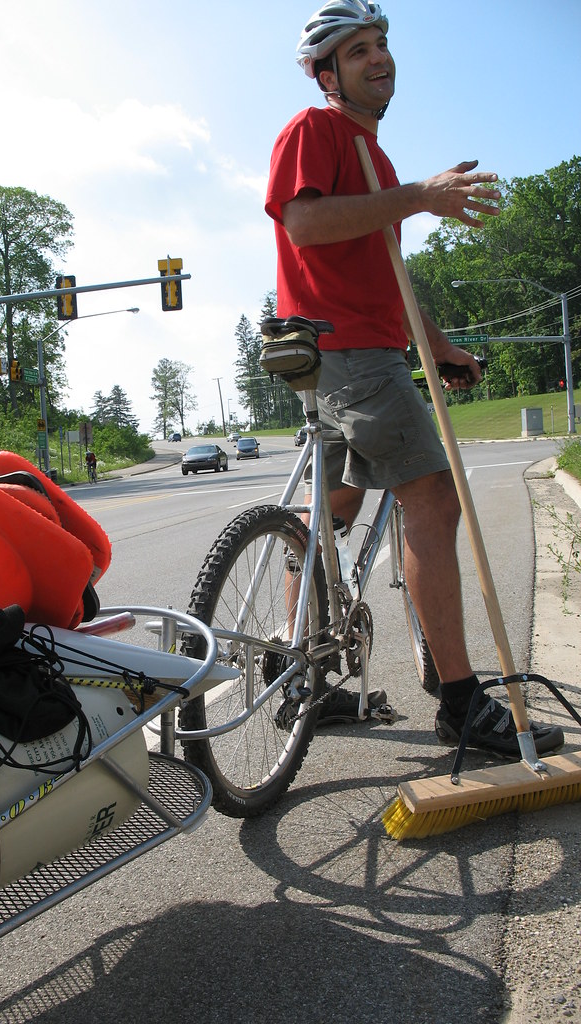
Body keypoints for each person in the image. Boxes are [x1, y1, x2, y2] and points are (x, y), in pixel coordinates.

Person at [264, 0, 563, 756]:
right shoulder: (317, 129)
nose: (377, 57)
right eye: (357, 49)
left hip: (347, 351)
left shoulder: (377, 163)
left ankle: (301, 675)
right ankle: (462, 704)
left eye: (381, 44)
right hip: (350, 355)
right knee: (430, 497)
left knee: (329, 515)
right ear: (325, 72)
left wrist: (442, 346)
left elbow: (389, 281)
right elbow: (303, 224)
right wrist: (419, 199)